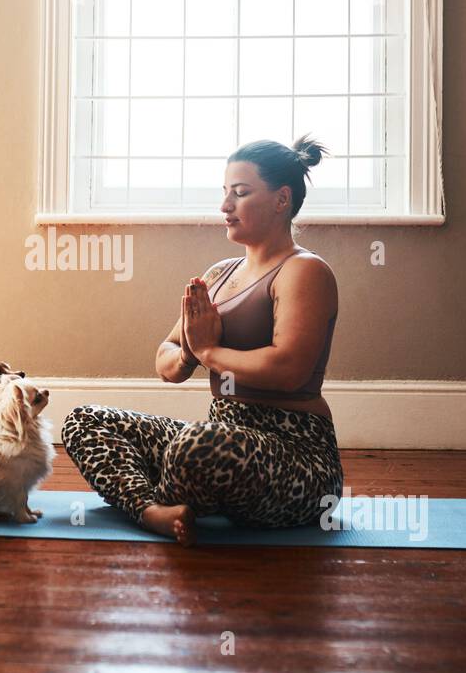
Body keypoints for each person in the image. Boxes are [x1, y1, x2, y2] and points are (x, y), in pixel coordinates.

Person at [60, 135, 343, 547]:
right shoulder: (219, 274)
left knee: (195, 445)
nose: (225, 206)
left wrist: (209, 351)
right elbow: (167, 360)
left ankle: (149, 498)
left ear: (282, 199)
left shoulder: (305, 271)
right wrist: (191, 352)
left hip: (297, 458)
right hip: (223, 432)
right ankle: (155, 510)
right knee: (85, 420)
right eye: (224, 193)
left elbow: (288, 370)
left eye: (240, 193)